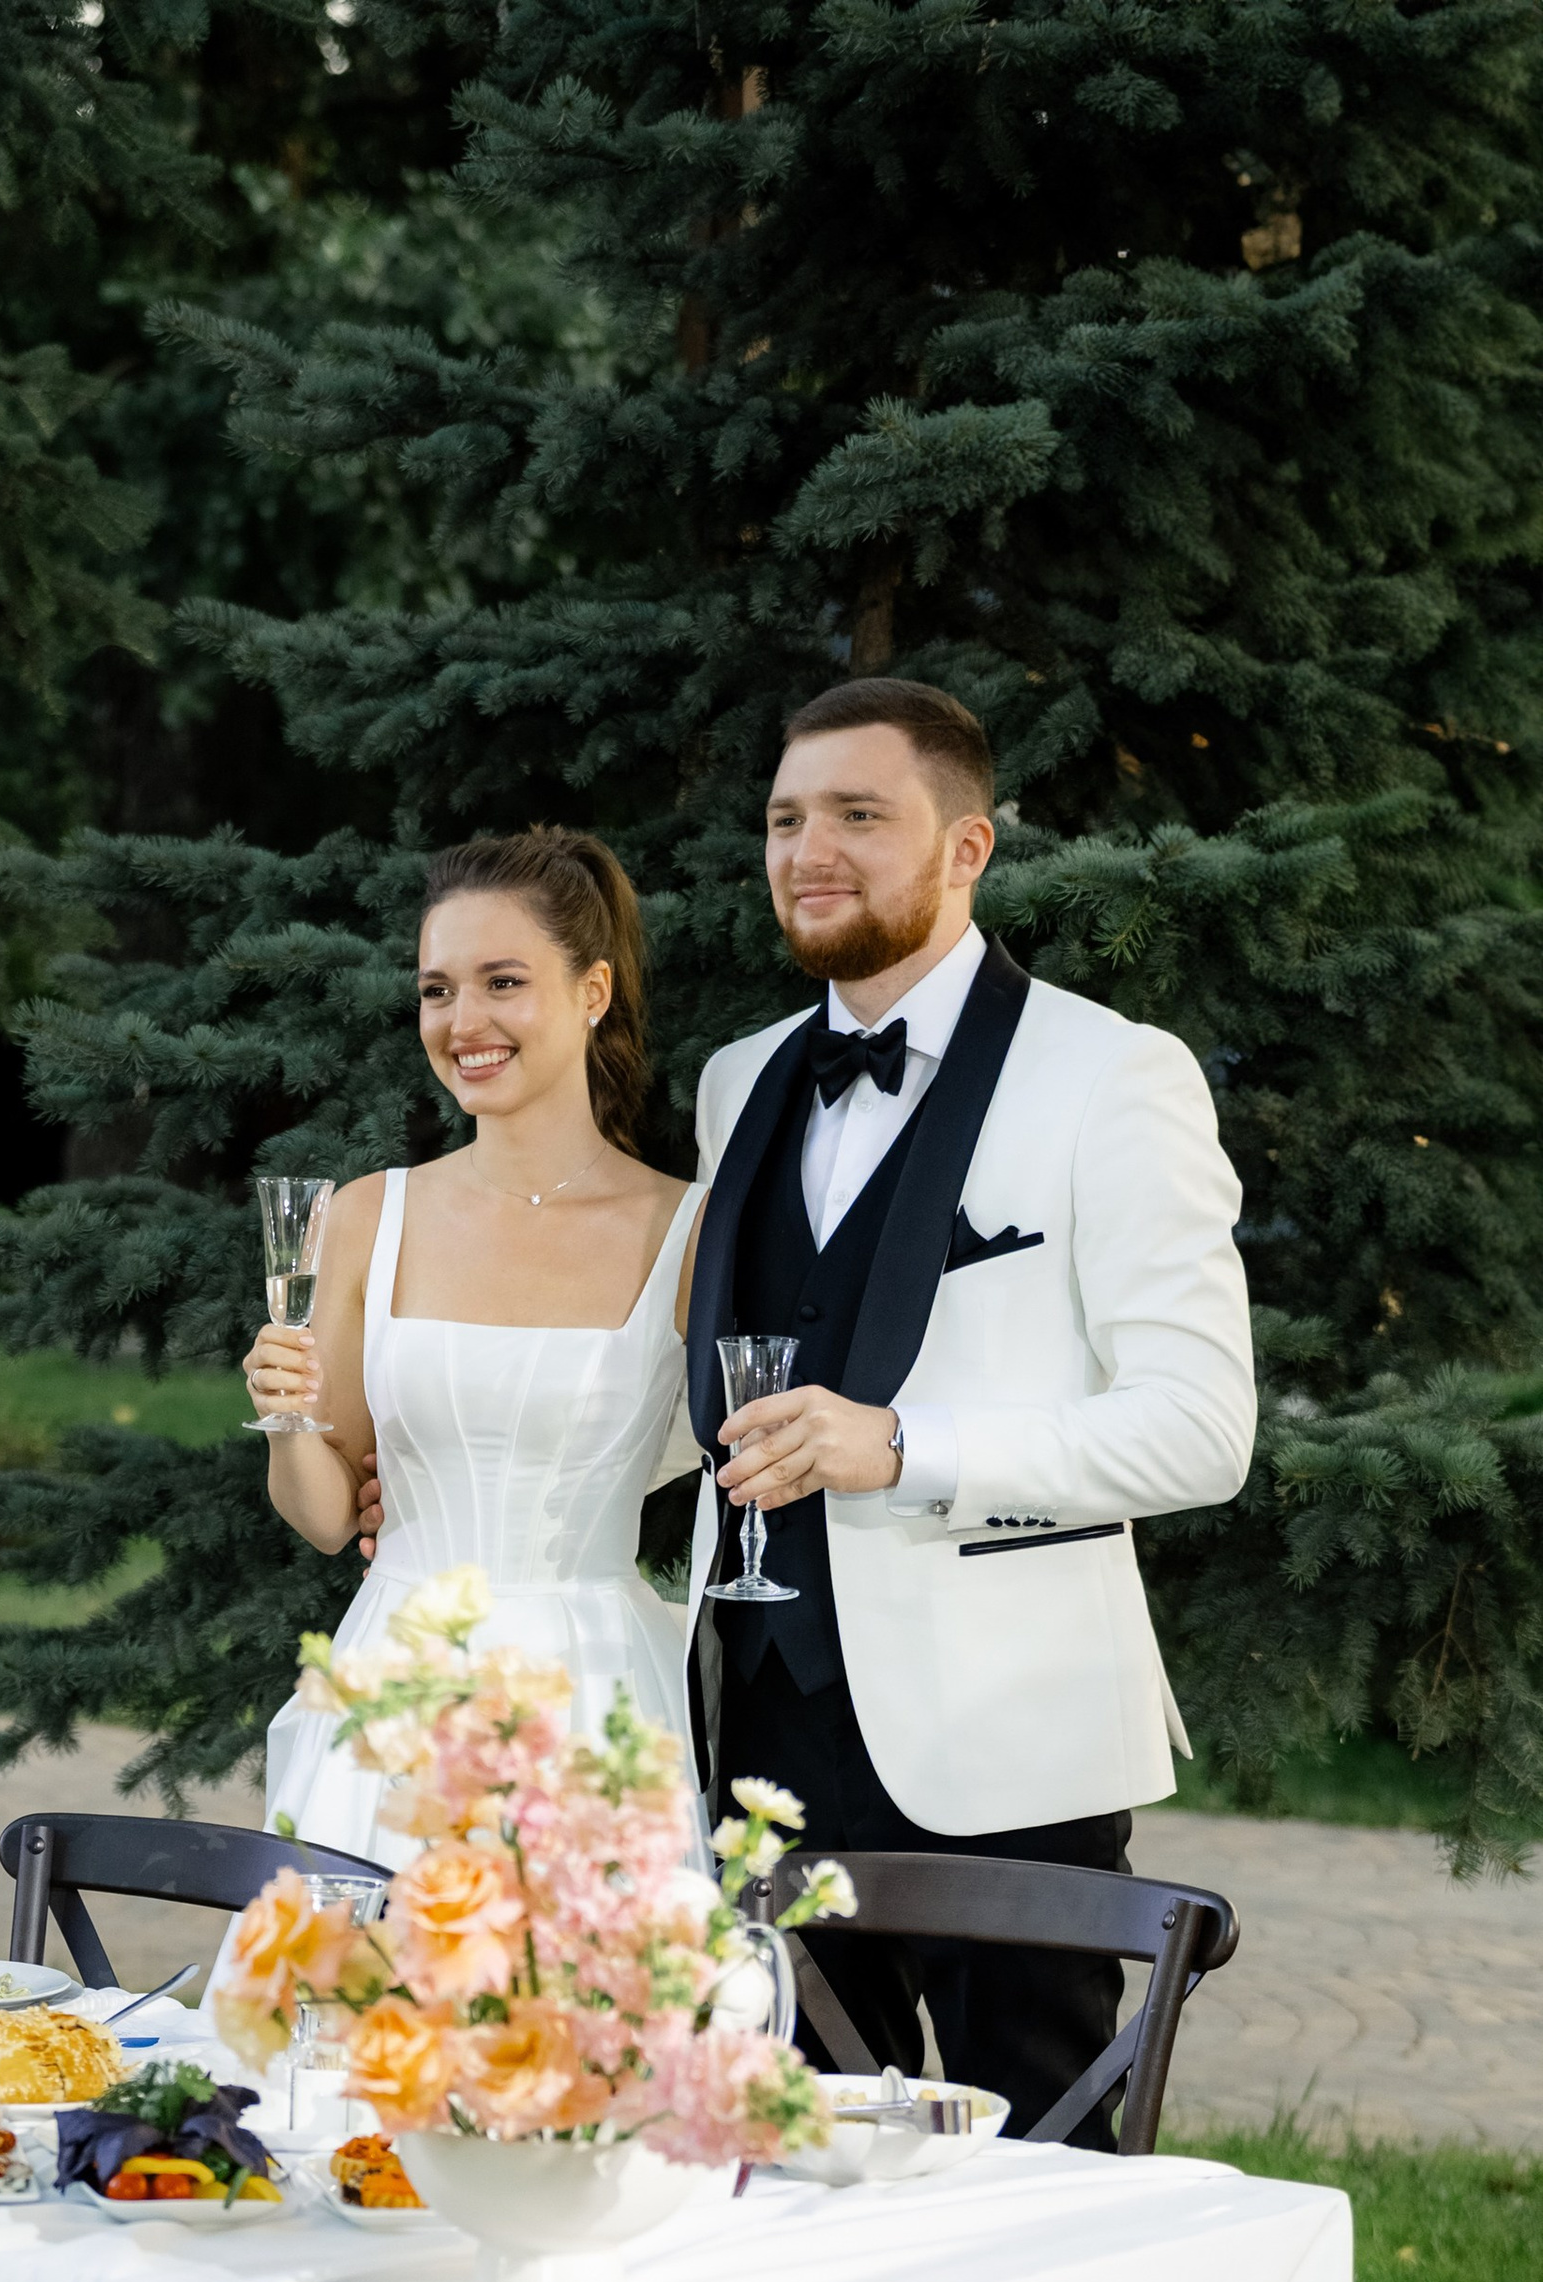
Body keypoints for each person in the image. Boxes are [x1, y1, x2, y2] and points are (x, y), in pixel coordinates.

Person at [686, 677, 1256, 2140]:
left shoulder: (1113, 1077)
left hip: (1009, 1749)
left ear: (967, 848)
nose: (810, 849)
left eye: (860, 816)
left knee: (1049, 2188)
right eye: (786, 818)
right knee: (802, 2192)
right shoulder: (738, 1079)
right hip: (761, 1746)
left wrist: (905, 1447)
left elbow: (1200, 1428)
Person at [241, 826, 708, 1872]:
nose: (463, 1022)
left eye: (503, 981)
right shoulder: (367, 1217)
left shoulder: (688, 1232)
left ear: (592, 992)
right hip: (395, 1685)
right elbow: (325, 1516)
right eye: (436, 990)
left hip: (596, 1687)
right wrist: (285, 1415)